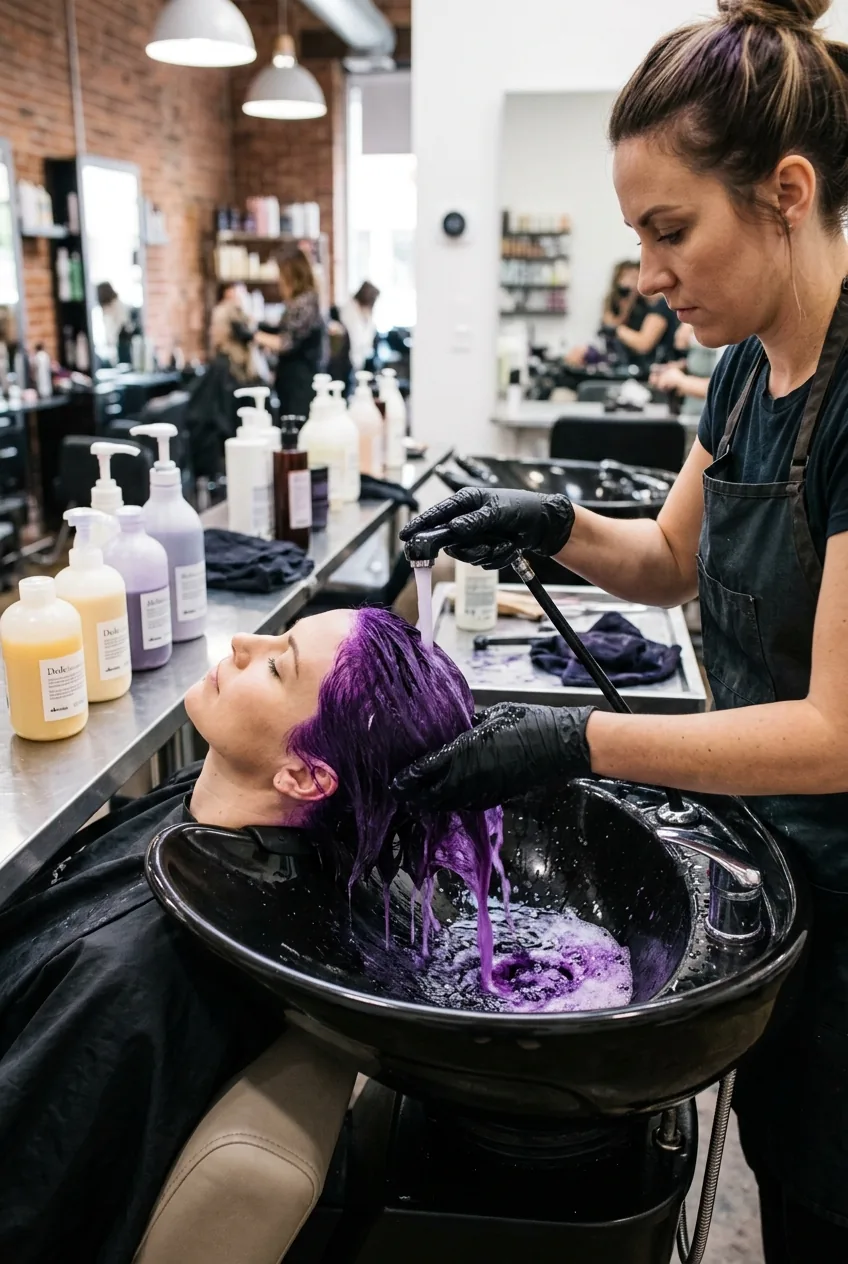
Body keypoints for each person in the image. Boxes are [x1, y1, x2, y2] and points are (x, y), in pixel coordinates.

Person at [396, 1, 848, 1258]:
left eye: (668, 230)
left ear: (785, 192)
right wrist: (550, 523)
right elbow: (661, 561)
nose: (646, 274)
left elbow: (832, 732)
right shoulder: (747, 369)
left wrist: (577, 741)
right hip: (786, 876)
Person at [0, 608, 488, 1264]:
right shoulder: (300, 857)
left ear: (306, 776)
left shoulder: (128, 975)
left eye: (275, 662)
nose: (239, 643)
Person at [256, 249, 326, 418]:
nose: (278, 280)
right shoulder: (299, 302)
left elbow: (286, 342)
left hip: (300, 384)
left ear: (292, 275)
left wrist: (253, 335)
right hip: (292, 382)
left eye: (281, 274)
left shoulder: (305, 303)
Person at [565, 260, 640, 368]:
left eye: (634, 278)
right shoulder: (610, 300)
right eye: (626, 277)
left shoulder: (642, 304)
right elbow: (611, 325)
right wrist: (626, 308)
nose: (630, 282)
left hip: (632, 352)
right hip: (612, 351)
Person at [209, 280, 255, 382]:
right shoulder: (225, 311)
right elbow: (242, 333)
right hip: (231, 363)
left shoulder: (238, 312)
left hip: (235, 362)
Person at [340, 281, 380, 373]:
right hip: (347, 362)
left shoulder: (367, 315)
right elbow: (356, 339)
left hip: (359, 361)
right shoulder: (349, 312)